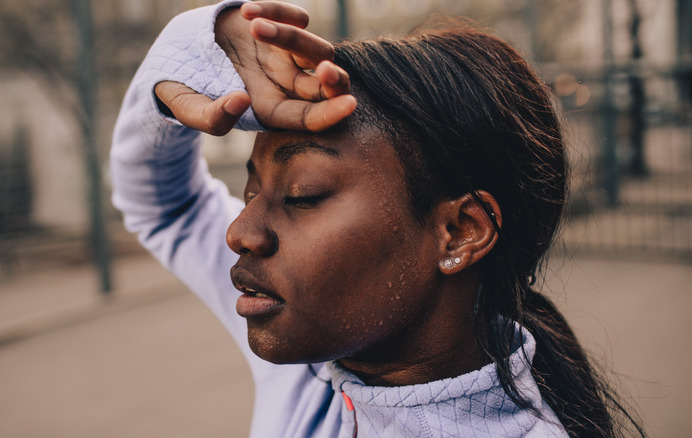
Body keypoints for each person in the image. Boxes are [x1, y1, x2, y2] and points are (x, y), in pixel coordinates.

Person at [111, 1, 643, 436]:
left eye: (302, 194)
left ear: (461, 231)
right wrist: (200, 46)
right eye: (251, 191)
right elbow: (167, 205)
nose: (240, 231)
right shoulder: (314, 364)